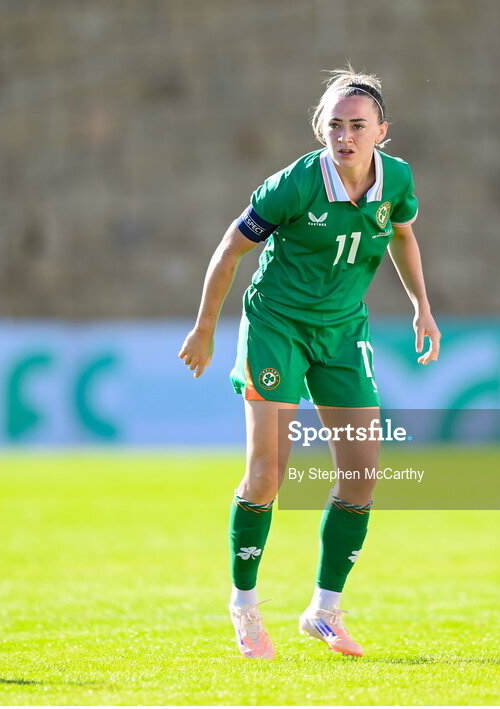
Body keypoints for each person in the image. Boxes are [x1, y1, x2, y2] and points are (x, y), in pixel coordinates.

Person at [179, 67, 440, 660]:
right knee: (268, 476)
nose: (345, 136)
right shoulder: (294, 185)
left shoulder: (396, 179)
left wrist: (422, 306)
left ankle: (324, 611)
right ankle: (244, 607)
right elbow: (230, 249)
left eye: (358, 125)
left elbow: (401, 234)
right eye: (335, 125)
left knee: (362, 478)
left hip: (344, 333)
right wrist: (204, 328)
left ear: (382, 131)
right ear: (320, 129)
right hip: (278, 328)